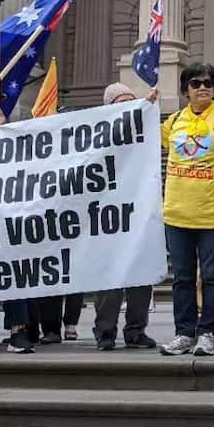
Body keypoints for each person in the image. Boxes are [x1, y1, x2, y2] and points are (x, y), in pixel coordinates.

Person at [159, 63, 214, 357]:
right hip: (177, 212)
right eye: (195, 83)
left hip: (212, 213)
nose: (202, 87)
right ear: (185, 90)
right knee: (181, 277)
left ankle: (208, 333)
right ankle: (183, 333)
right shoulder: (173, 122)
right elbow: (140, 137)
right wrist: (144, 106)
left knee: (212, 276)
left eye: (208, 82)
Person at [91, 81, 158, 351]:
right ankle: (105, 330)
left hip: (139, 213)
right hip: (108, 216)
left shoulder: (144, 132)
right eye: (122, 103)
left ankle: (136, 330)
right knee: (110, 277)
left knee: (141, 276)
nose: (129, 107)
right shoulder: (96, 137)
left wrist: (149, 106)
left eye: (132, 101)